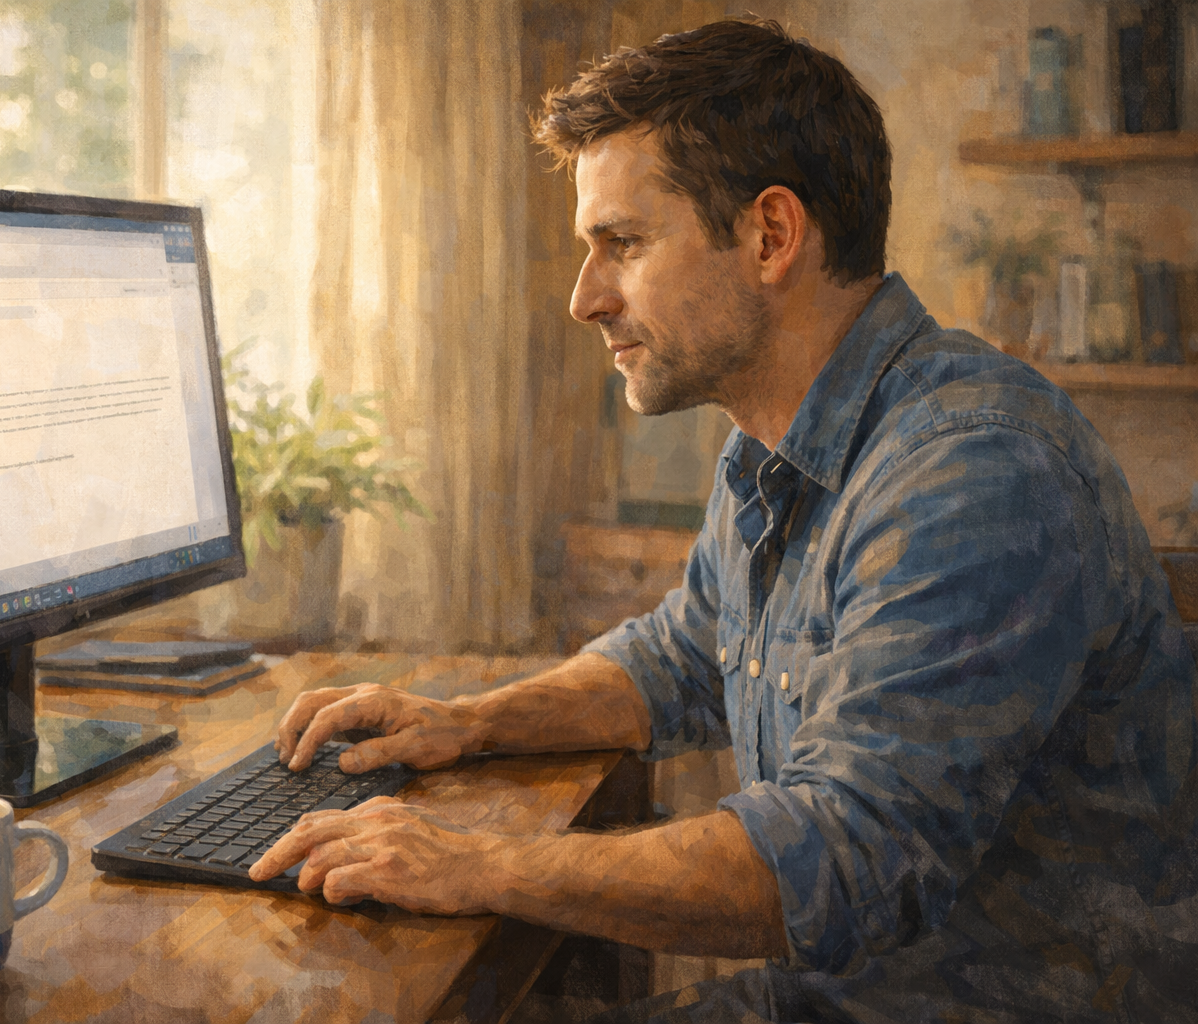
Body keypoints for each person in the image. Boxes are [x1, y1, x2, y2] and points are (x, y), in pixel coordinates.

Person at [249, 19, 1198, 1023]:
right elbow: (682, 653)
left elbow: (844, 859)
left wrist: (480, 865)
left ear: (770, 236)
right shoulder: (775, 441)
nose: (583, 298)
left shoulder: (970, 469)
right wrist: (470, 722)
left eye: (622, 243)